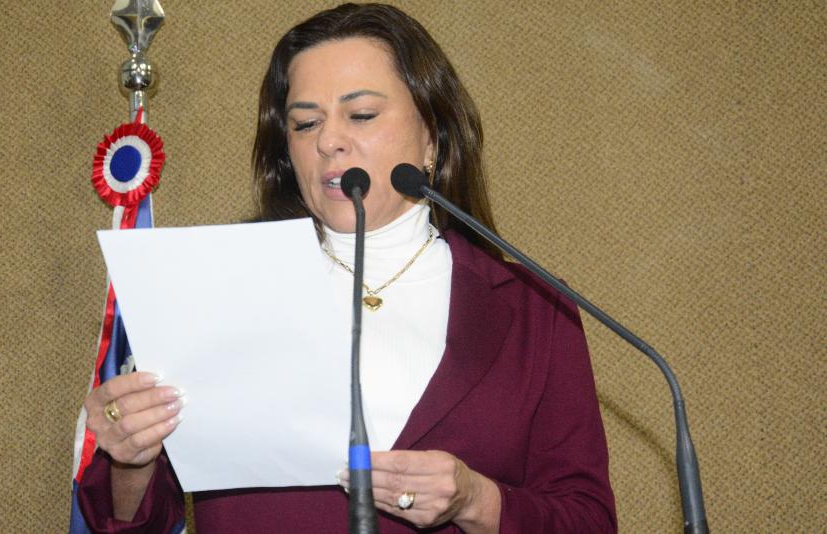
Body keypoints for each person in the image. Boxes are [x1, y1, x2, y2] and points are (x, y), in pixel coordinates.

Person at [78, 3, 616, 533]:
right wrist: (132, 457)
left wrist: (476, 500)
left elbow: (588, 520)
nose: (328, 141)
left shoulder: (534, 307)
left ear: (432, 136)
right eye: (305, 123)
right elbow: (132, 521)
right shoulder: (220, 286)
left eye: (360, 115)